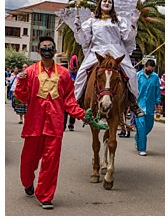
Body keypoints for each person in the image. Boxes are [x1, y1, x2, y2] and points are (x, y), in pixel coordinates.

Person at [14, 36, 106, 210]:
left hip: (54, 126)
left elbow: (69, 102)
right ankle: (27, 183)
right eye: (44, 47)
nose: (47, 49)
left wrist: (84, 116)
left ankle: (45, 196)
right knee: (28, 162)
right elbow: (23, 97)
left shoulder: (63, 74)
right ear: (39, 51)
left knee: (51, 163)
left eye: (50, 47)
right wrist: (22, 82)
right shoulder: (31, 72)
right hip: (34, 125)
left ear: (55, 50)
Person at [62, 0, 143, 117]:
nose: (107, 3)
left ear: (112, 5)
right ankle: (76, 100)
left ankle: (133, 103)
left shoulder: (119, 20)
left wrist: (133, 23)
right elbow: (84, 40)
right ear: (100, 4)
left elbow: (127, 37)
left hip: (116, 51)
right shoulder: (92, 21)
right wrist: (78, 29)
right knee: (82, 73)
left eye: (109, 2)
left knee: (131, 73)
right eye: (104, 1)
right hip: (97, 51)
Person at [135, 58, 161, 156]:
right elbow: (134, 90)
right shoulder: (138, 76)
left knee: (149, 126)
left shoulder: (155, 77)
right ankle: (142, 148)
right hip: (139, 105)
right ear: (145, 67)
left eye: (152, 70)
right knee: (141, 126)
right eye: (148, 69)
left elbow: (157, 91)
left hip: (150, 106)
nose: (150, 71)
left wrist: (158, 103)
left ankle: (138, 138)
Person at [63, 55, 79, 131]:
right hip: (66, 95)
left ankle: (71, 124)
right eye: (72, 69)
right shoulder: (67, 74)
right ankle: (63, 125)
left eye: (75, 69)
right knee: (65, 112)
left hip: (74, 95)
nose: (73, 70)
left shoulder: (78, 75)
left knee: (72, 111)